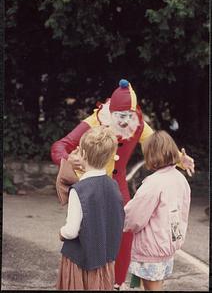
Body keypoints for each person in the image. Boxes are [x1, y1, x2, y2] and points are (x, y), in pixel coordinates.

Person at [51, 79, 195, 289]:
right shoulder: (95, 121)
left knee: (125, 232)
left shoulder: (137, 124)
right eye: (121, 116)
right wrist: (67, 158)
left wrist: (180, 161)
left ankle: (116, 283)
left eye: (130, 115)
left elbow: (158, 146)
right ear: (112, 113)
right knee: (87, 231)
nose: (126, 121)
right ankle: (86, 279)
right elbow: (59, 145)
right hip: (90, 185)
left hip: (116, 186)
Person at [56, 126, 125, 290]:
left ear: (84, 155)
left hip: (79, 262)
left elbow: (71, 230)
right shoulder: (114, 186)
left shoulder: (79, 190)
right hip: (104, 261)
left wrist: (61, 232)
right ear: (109, 158)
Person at [124, 130, 191, 291]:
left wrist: (124, 222)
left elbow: (135, 217)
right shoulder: (179, 179)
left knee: (151, 287)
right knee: (156, 284)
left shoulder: (153, 183)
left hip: (151, 249)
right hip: (168, 245)